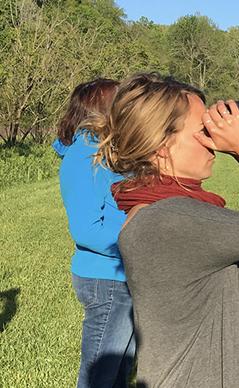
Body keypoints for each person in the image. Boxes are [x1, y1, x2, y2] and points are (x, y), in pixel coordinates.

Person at [89, 72, 239, 387]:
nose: (212, 141)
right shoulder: (176, 220)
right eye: (202, 129)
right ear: (161, 147)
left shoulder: (148, 211)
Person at [53, 78, 136, 387]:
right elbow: (86, 229)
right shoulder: (84, 153)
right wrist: (135, 245)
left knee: (118, 375)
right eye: (121, 101)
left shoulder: (105, 150)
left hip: (122, 276)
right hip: (107, 280)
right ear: (100, 109)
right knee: (99, 376)